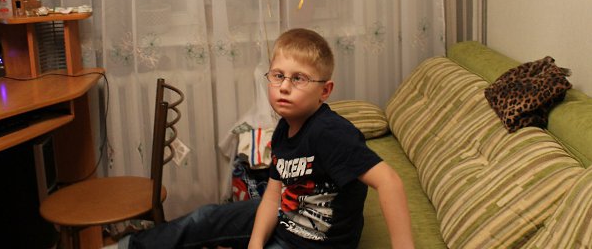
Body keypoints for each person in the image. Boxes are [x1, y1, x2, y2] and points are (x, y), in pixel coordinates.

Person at [117, 28, 414, 249]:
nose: (284, 86)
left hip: (312, 243)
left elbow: (389, 182)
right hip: (285, 217)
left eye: (298, 78)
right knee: (206, 217)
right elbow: (272, 196)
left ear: (325, 91)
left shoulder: (331, 133)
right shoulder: (284, 128)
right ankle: (128, 246)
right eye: (278, 75)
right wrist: (255, 244)